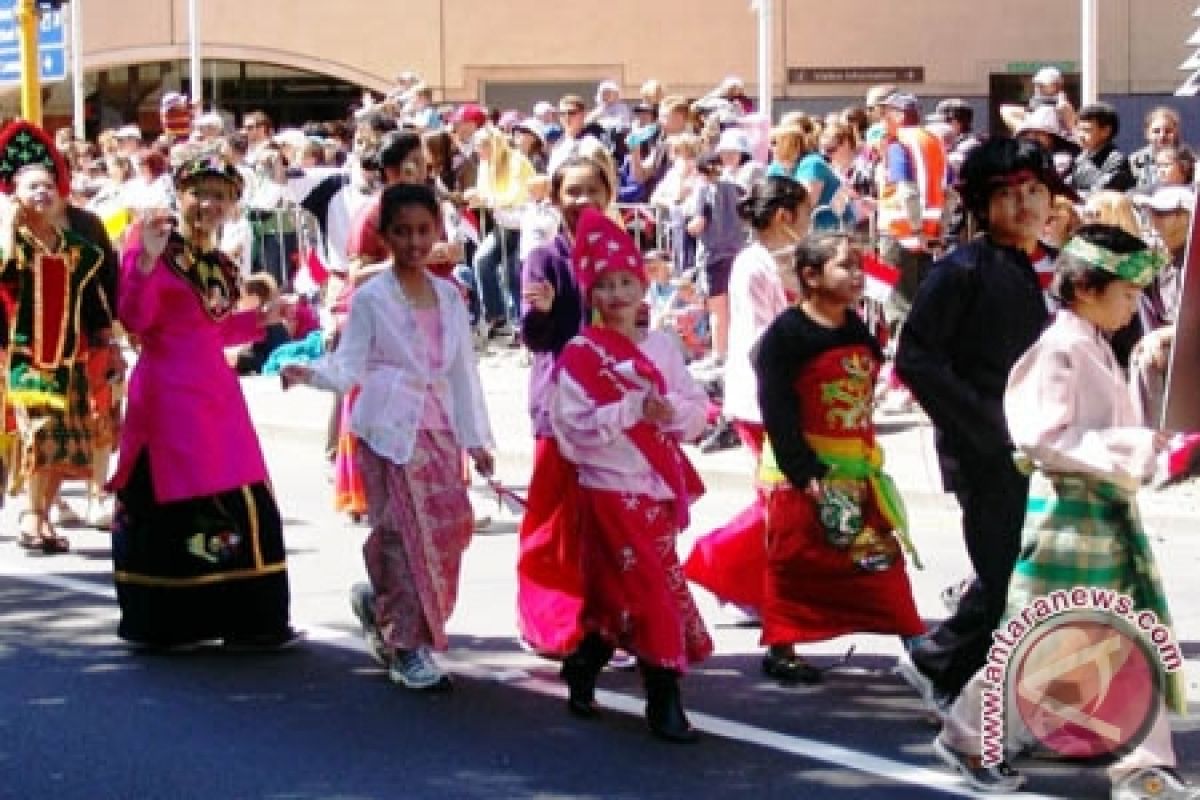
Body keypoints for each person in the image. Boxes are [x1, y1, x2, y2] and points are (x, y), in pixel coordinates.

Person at [932, 225, 1195, 797]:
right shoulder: (1060, 348)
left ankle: (1143, 767)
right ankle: (965, 735)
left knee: (1125, 635)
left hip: (1103, 513)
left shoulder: (1093, 343)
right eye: (1126, 294)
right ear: (1086, 289)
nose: (1133, 307)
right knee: (1043, 637)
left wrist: (1138, 444)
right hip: (1067, 518)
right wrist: (1131, 447)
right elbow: (1041, 437)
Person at [282, 183, 494, 690]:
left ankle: (379, 603)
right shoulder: (372, 297)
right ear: (385, 236)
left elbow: (463, 370)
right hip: (388, 429)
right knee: (401, 535)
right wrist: (306, 372)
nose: (415, 241)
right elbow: (349, 365)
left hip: (438, 428)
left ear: (439, 232)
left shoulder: (449, 295)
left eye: (424, 230)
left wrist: (476, 439)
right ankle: (405, 644)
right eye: (403, 231)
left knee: (449, 531)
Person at [894, 137, 1062, 713]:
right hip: (983, 446)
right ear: (981, 206)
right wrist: (986, 426)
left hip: (1028, 445)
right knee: (1002, 568)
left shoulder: (1037, 266)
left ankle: (949, 666)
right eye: (1009, 195)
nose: (1025, 206)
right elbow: (916, 358)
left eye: (1035, 192)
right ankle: (943, 669)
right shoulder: (960, 271)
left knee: (1013, 567)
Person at [110, 151, 298, 650]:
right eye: (199, 193)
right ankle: (170, 620)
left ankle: (252, 621)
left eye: (220, 196)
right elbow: (136, 318)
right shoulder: (151, 246)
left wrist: (262, 320)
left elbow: (209, 331)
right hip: (168, 396)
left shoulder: (218, 263)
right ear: (180, 195)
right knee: (179, 498)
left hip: (217, 396)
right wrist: (145, 262)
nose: (208, 204)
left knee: (246, 499)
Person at [549, 207, 711, 742]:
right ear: (591, 294)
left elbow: (694, 406)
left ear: (643, 287)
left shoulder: (662, 346)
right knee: (653, 594)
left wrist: (673, 415)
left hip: (656, 487)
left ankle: (585, 659)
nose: (618, 295)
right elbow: (572, 431)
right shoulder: (580, 354)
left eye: (627, 282)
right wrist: (628, 411)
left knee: (629, 595)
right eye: (606, 285)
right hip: (609, 489)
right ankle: (664, 699)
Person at [752, 233, 924, 684]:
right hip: (804, 473)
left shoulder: (854, 327)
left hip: (857, 470)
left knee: (880, 558)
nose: (857, 276)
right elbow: (777, 411)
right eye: (845, 267)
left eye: (858, 266)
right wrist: (803, 470)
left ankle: (915, 639)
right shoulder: (785, 337)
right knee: (795, 565)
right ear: (810, 276)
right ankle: (781, 645)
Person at [684, 176, 812, 617]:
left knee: (781, 498)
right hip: (764, 400)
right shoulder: (756, 265)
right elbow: (769, 335)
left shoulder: (775, 260)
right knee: (778, 498)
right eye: (806, 214)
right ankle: (720, 563)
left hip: (775, 396)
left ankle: (743, 581)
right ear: (785, 217)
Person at [0, 121, 116, 554]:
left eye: (48, 185)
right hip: (23, 357)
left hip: (71, 358)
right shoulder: (12, 242)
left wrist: (108, 340)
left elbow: (97, 294)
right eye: (32, 187)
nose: (41, 194)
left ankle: (44, 516)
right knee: (39, 431)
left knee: (63, 440)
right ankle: (31, 515)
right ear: (15, 194)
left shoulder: (76, 247)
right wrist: (9, 226)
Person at [516, 155, 615, 656]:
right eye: (572, 192)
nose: (583, 202)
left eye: (592, 190)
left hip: (612, 406)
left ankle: (603, 620)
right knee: (553, 520)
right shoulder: (544, 258)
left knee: (607, 519)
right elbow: (533, 338)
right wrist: (546, 312)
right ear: (555, 200)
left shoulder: (617, 254)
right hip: (559, 402)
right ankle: (548, 621)